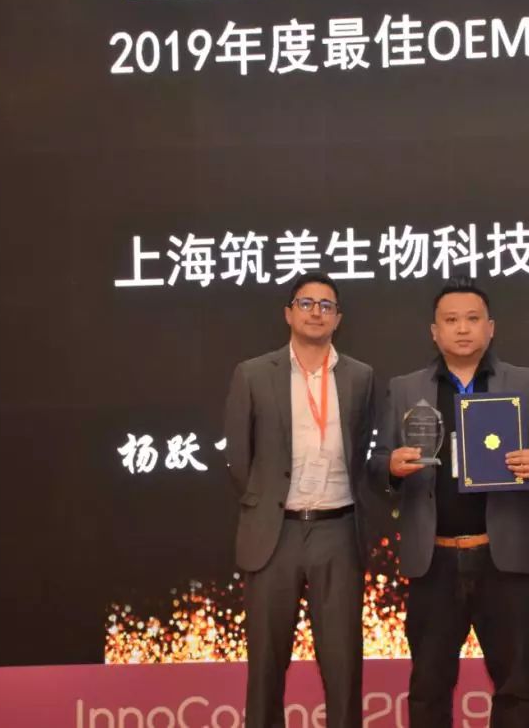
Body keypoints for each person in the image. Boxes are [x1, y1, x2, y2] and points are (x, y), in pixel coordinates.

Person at [371, 278, 529, 728]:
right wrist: (391, 467)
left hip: (504, 559)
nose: (463, 329)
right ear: (434, 331)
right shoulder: (405, 388)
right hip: (434, 561)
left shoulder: (524, 382)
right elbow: (377, 463)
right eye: (451, 320)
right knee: (428, 688)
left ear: (490, 327)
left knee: (516, 687)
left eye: (473, 319)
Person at [223, 272, 374, 728]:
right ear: (288, 313)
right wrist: (267, 502)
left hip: (338, 530)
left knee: (344, 666)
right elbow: (239, 458)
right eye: (306, 303)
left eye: (326, 305)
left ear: (338, 319)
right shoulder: (253, 374)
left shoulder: (360, 377)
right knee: (266, 666)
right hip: (275, 533)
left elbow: (363, 452)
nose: (316, 312)